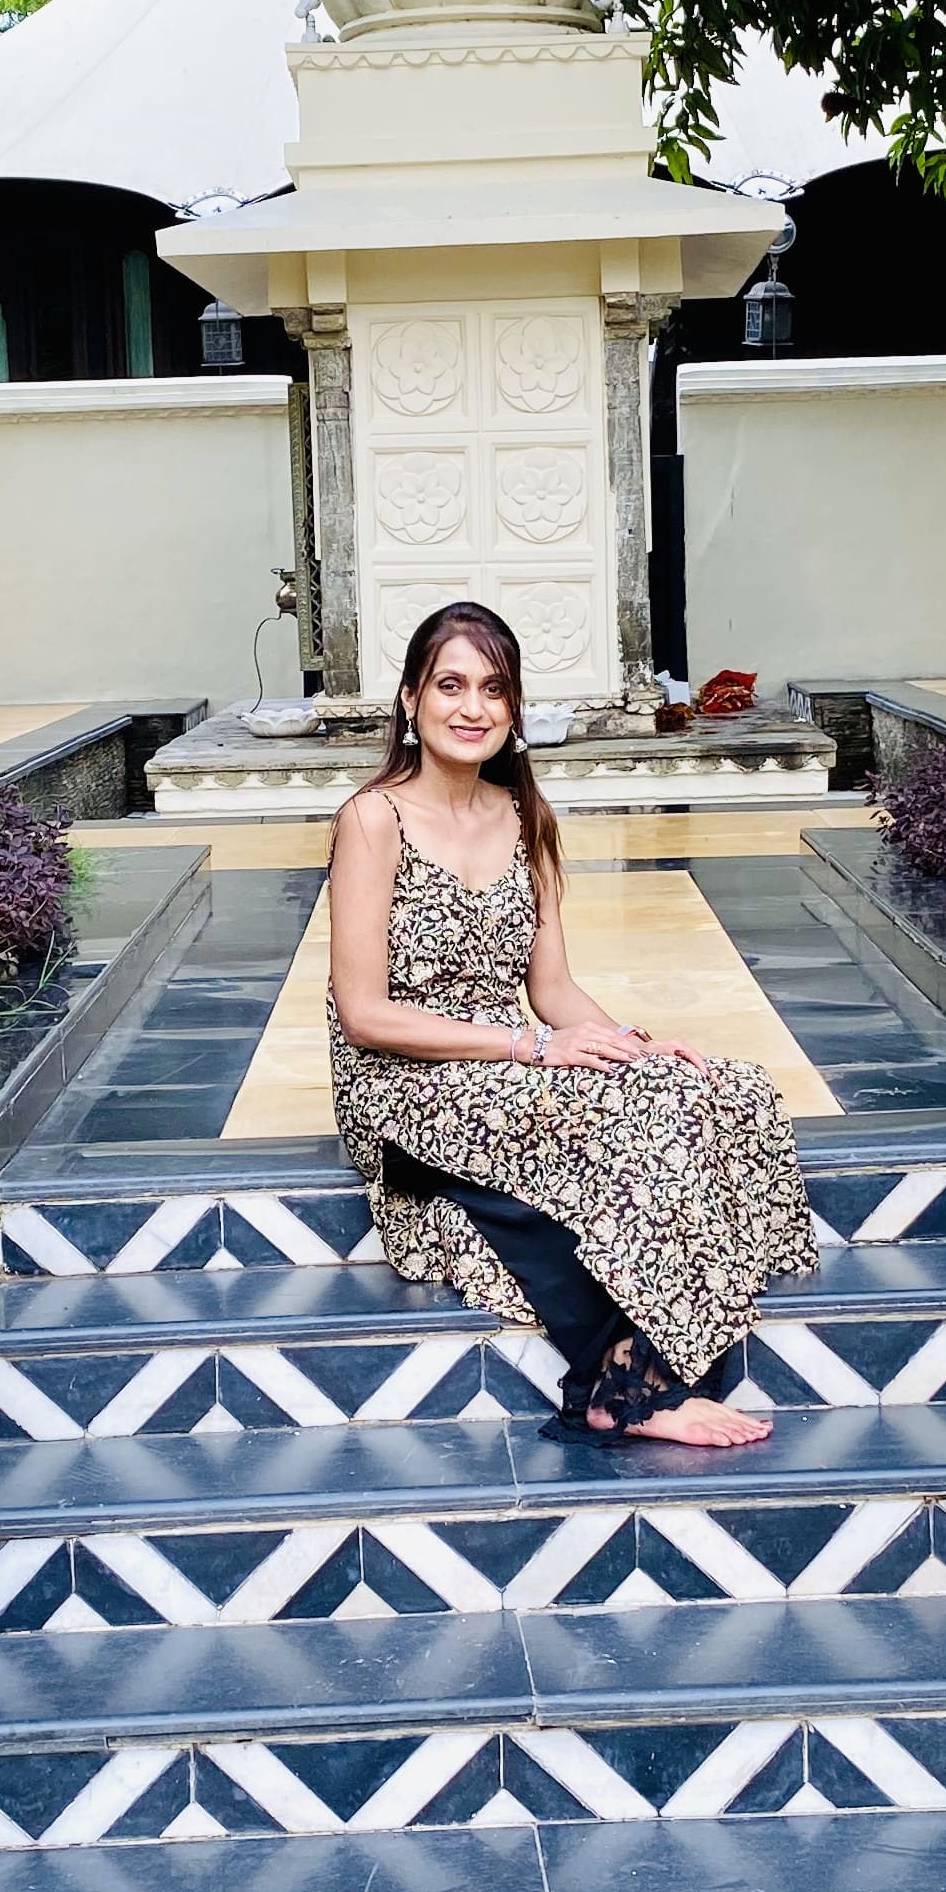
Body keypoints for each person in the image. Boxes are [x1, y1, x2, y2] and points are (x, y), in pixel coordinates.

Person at [326, 600, 816, 1446]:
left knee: (717, 1089)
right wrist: (532, 1047)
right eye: (450, 685)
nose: (472, 707)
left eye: (494, 688)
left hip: (507, 1058)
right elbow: (365, 1016)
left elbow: (551, 988)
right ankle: (631, 1392)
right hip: (401, 1078)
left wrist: (635, 1044)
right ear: (410, 699)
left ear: (514, 709)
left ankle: (648, 1361)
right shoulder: (374, 817)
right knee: (636, 1124)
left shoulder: (526, 817)